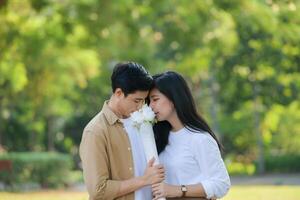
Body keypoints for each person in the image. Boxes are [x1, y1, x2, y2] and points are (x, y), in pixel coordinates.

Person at [79, 62, 165, 200]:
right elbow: (98, 190)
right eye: (136, 100)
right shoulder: (95, 131)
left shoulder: (144, 122)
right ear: (119, 93)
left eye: (143, 101)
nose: (140, 106)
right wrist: (144, 180)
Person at [149, 71, 231, 200]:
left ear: (174, 98)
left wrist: (178, 190)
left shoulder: (199, 138)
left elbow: (221, 184)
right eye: (149, 101)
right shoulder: (158, 137)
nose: (150, 106)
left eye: (155, 99)